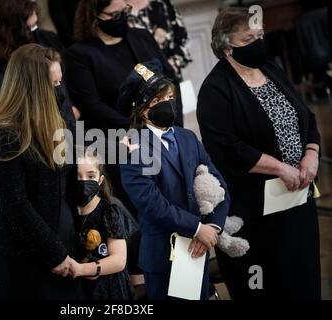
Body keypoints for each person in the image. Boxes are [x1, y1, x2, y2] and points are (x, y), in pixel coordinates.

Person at [196, 7, 321, 299]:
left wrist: (311, 153)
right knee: (270, 285)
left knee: (304, 276)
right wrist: (281, 168)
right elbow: (228, 149)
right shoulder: (215, 90)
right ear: (227, 47)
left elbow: (306, 117)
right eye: (249, 38)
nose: (259, 43)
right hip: (257, 212)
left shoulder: (271, 69)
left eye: (260, 35)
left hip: (298, 199)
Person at [0, 43, 83, 300]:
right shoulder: (4, 133)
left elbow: (69, 178)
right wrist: (54, 253)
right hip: (25, 255)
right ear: (34, 89)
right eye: (53, 85)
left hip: (63, 237)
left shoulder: (57, 117)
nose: (60, 92)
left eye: (61, 83)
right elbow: (14, 203)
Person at [120, 60, 230, 299]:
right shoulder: (132, 147)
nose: (168, 104)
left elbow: (217, 183)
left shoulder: (187, 137)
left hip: (198, 248)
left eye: (169, 96)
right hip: (164, 253)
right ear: (141, 110)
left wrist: (212, 226)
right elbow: (151, 203)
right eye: (158, 101)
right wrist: (197, 228)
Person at [66, 0, 181, 131]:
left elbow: (171, 79)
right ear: (93, 15)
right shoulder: (79, 55)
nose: (121, 17)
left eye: (124, 11)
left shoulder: (142, 36)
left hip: (166, 127)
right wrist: (140, 128)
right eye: (114, 15)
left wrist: (175, 121)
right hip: (121, 137)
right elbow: (92, 106)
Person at [0, 0, 72, 112]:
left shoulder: (47, 41)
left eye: (36, 25)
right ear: (9, 32)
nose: (35, 34)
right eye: (29, 28)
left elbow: (66, 84)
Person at [69, 149, 135, 300]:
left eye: (90, 176)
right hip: (80, 290)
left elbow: (119, 260)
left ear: (100, 180)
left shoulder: (108, 211)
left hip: (110, 289)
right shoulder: (69, 212)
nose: (84, 181)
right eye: (78, 176)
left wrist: (83, 269)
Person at [128, 0, 192, 82]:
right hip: (141, 83)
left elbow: (183, 39)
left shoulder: (161, 3)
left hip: (171, 80)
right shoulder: (118, 11)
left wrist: (172, 64)